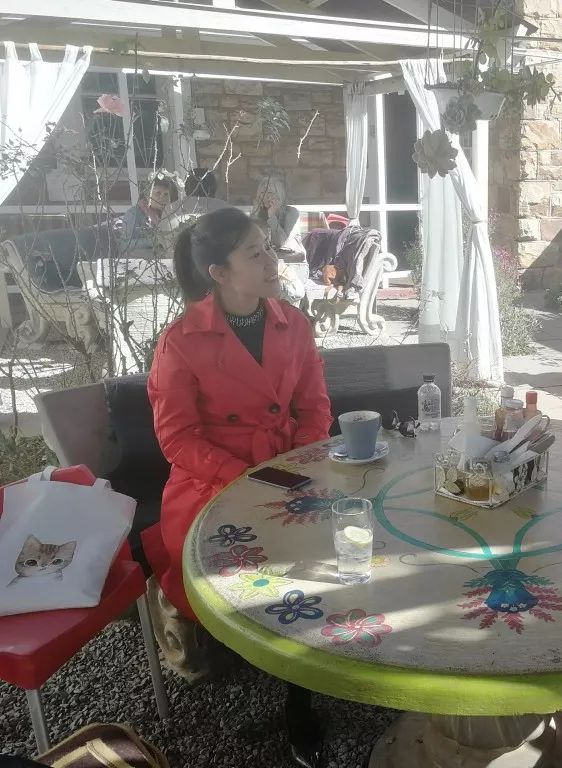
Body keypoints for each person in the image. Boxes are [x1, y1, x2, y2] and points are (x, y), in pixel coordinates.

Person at [148, 207, 331, 767]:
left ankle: (303, 687)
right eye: (256, 252)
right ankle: (251, 650)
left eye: (269, 247)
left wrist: (300, 460)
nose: (273, 259)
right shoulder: (180, 342)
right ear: (219, 272)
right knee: (243, 568)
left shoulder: (293, 322)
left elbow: (315, 406)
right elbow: (177, 438)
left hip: (289, 466)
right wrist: (246, 478)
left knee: (332, 549)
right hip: (213, 480)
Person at [251, 176, 305, 261]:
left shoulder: (291, 212)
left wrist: (272, 216)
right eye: (262, 193)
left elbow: (282, 243)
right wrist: (256, 214)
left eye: (270, 193)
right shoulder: (258, 212)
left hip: (290, 256)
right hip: (268, 256)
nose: (265, 196)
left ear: (279, 195)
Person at [122, 174, 175, 254]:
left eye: (166, 194)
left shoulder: (171, 214)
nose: (162, 197)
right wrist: (154, 240)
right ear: (147, 195)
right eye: (158, 193)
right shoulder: (134, 214)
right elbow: (125, 245)